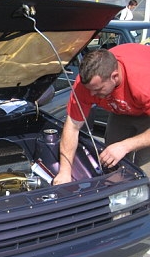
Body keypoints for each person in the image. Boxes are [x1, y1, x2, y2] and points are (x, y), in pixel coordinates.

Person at [53, 43, 150, 185]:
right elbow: (72, 127)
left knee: (142, 167)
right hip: (121, 111)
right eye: (90, 90)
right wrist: (64, 173)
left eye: (98, 90)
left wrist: (125, 146)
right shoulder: (85, 85)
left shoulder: (143, 83)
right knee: (111, 159)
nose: (92, 95)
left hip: (145, 112)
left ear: (114, 77)